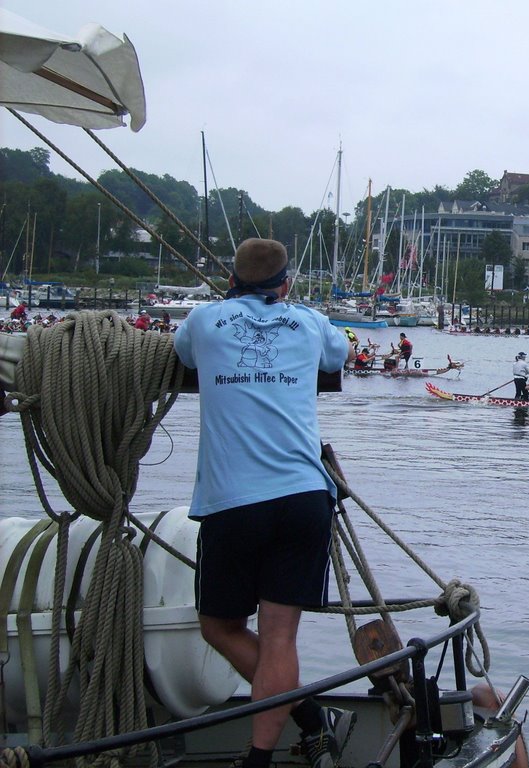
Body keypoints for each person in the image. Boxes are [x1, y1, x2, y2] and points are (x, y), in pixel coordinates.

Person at [173, 239, 357, 768]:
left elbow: (182, 354)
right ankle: (265, 752)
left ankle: (307, 718)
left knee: (219, 627)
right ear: (286, 284)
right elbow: (338, 353)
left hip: (233, 501)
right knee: (281, 637)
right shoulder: (309, 321)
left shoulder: (205, 320)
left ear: (232, 280)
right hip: (303, 497)